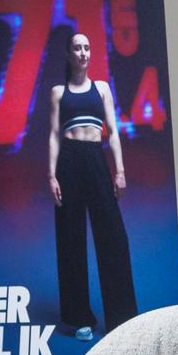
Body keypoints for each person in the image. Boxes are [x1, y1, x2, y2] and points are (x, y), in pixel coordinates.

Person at [47, 31, 136, 339]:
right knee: (70, 239)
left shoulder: (102, 89)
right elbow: (54, 135)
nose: (83, 52)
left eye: (87, 47)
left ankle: (122, 317)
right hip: (69, 162)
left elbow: (113, 131)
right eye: (77, 48)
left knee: (113, 236)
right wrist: (51, 175)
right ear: (69, 54)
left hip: (96, 160)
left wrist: (119, 171)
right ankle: (78, 318)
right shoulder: (58, 92)